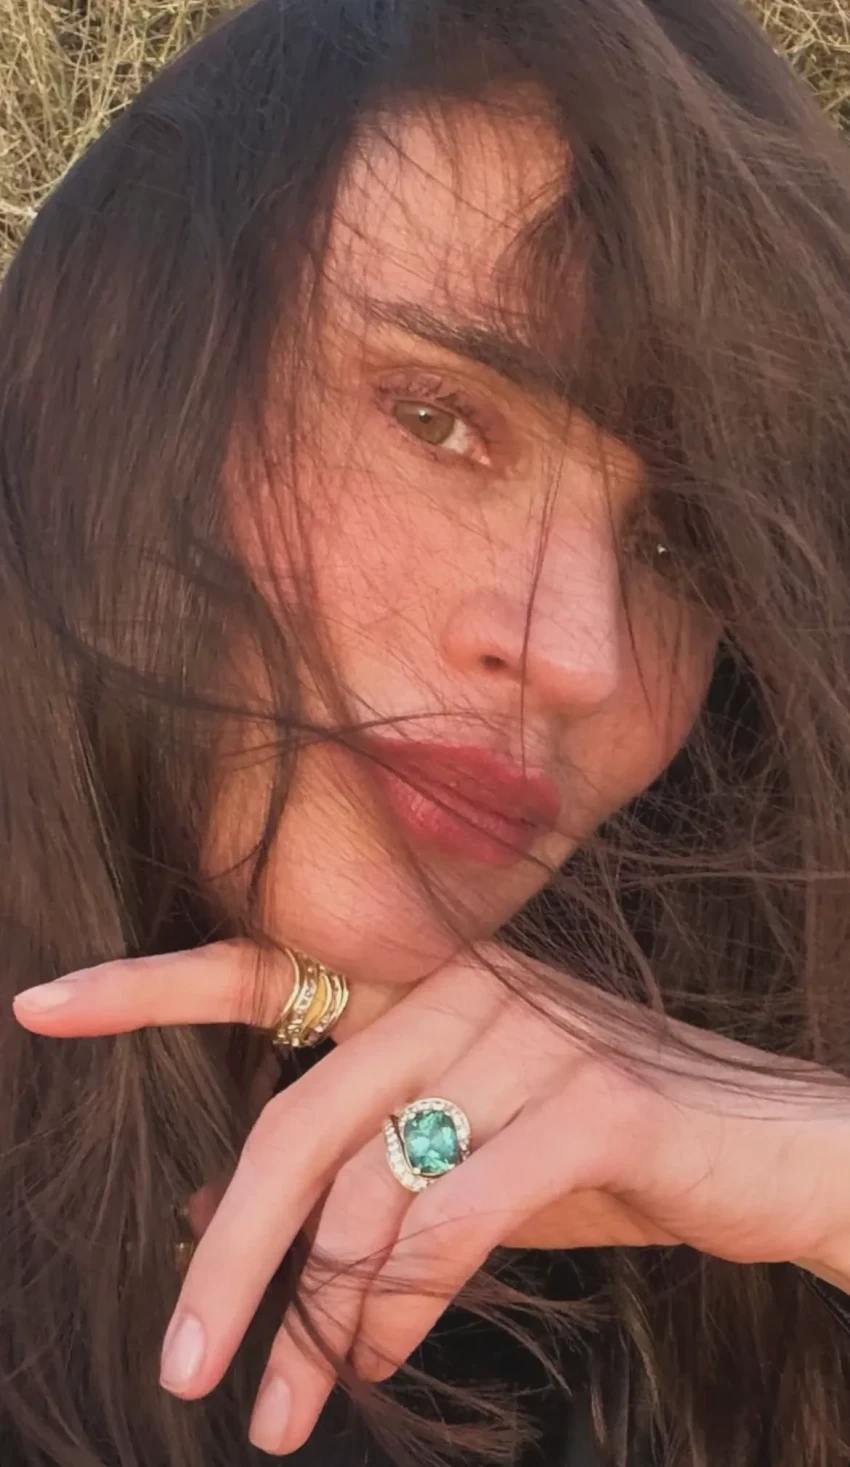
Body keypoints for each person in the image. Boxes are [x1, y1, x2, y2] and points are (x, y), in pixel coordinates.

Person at [4, 0, 850, 1463]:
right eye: (436, 417)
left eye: (678, 552)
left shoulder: (660, 1237)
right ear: (125, 385)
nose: (580, 655)